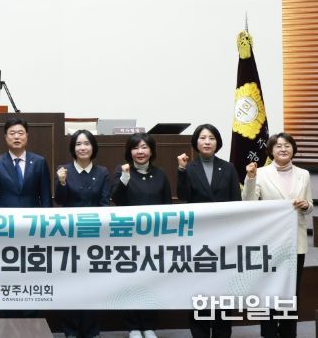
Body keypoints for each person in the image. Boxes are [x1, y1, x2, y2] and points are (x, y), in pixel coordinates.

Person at [242, 132, 313, 338]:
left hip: (296, 242)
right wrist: (250, 178)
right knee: (269, 289)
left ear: (293, 149)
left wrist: (306, 205)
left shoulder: (304, 174)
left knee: (291, 291)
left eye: (287, 145)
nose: (283, 149)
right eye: (278, 146)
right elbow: (248, 203)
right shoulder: (260, 173)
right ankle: (269, 332)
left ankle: (289, 333)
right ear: (271, 150)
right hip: (270, 242)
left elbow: (309, 206)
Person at [177, 123, 241, 338]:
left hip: (224, 238)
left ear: (217, 143)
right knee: (199, 287)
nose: (207, 142)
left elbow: (236, 202)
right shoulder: (189, 168)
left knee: (224, 287)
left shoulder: (228, 168)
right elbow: (183, 195)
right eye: (203, 138)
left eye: (211, 138)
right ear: (196, 142)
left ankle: (222, 331)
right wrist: (181, 170)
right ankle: (200, 332)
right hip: (199, 237)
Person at [111, 132, 171, 338]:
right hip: (129, 238)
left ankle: (149, 326)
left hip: (154, 239)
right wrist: (125, 178)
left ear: (151, 151)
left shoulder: (161, 174)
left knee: (151, 282)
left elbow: (167, 207)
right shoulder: (122, 171)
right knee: (130, 282)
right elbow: (115, 199)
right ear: (130, 151)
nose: (140, 151)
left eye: (144, 147)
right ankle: (133, 327)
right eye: (136, 147)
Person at [54, 129, 111, 338]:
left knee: (92, 285)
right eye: (78, 144)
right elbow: (60, 200)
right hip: (69, 237)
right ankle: (70, 330)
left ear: (93, 147)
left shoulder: (102, 172)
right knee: (70, 284)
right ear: (73, 148)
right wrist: (61, 182)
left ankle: (91, 330)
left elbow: (104, 204)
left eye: (86, 143)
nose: (82, 147)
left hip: (93, 236)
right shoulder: (64, 170)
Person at [0, 117, 52, 207]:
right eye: (12, 133)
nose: (16, 137)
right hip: (6, 214)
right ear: (5, 137)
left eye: (20, 133)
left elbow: (46, 196)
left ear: (27, 136)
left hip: (31, 214)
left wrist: (47, 214)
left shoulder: (39, 162)